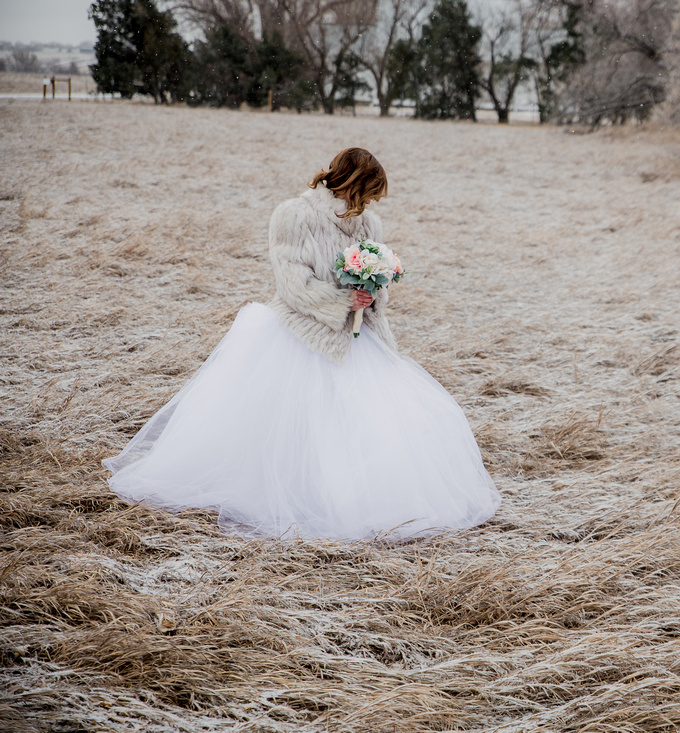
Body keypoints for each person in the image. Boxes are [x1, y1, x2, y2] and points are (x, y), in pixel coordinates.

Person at [103, 148, 500, 541]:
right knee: (296, 420)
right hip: (302, 333)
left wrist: (371, 292)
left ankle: (351, 496)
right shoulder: (294, 216)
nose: (371, 203)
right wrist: (343, 300)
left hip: (357, 338)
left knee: (364, 422)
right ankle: (293, 494)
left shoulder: (369, 224)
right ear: (350, 183)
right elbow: (291, 283)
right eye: (368, 192)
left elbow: (375, 281)